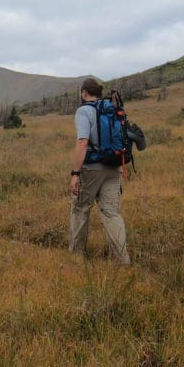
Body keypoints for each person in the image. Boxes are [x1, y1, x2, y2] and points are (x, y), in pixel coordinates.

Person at [69, 78, 131, 265]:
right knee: (112, 213)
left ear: (84, 93)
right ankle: (121, 260)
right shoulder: (110, 108)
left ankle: (76, 257)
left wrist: (75, 173)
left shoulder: (83, 111)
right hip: (114, 166)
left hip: (92, 168)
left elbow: (82, 142)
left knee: (80, 209)